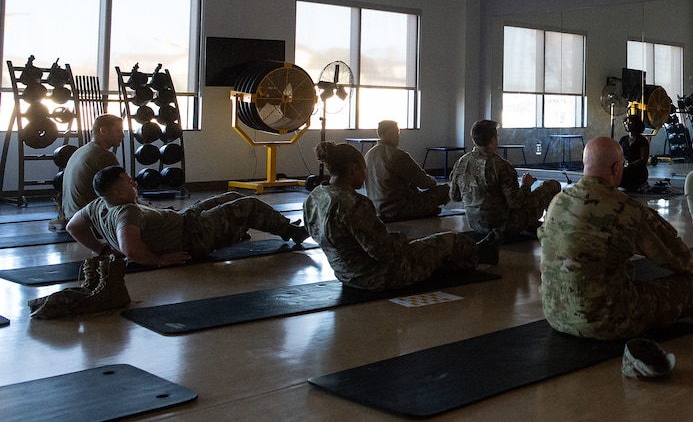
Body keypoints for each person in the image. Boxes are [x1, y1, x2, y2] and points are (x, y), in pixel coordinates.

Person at [538, 136, 693, 340]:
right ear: (617, 168)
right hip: (608, 320)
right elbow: (673, 254)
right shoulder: (624, 208)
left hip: (555, 314)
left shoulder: (557, 202)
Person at [305, 142, 491, 290]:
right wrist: (399, 241)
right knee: (450, 241)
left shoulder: (314, 198)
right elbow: (383, 252)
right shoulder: (354, 203)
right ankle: (482, 252)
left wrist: (392, 238)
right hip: (380, 276)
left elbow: (343, 238)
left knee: (428, 249)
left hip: (344, 273)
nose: (365, 174)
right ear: (353, 168)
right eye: (363, 170)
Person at [66, 167, 309, 266]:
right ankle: (292, 232)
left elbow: (72, 226)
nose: (133, 182)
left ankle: (273, 228)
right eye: (128, 182)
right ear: (118, 192)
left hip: (187, 219)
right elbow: (130, 248)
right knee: (248, 204)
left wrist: (102, 250)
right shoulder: (126, 212)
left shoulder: (97, 205)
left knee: (231, 195)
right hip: (194, 235)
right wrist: (160, 261)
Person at [450, 120, 560, 238]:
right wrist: (526, 185)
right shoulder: (501, 165)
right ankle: (553, 230)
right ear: (492, 140)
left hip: (476, 225)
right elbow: (515, 203)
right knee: (552, 185)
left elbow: (455, 196)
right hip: (506, 225)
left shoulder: (461, 162)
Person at [365, 120, 450, 221]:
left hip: (377, 209)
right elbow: (424, 183)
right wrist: (433, 180)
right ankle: (425, 211)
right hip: (399, 209)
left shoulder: (368, 155)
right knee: (445, 189)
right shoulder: (397, 155)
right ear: (392, 133)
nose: (398, 137)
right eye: (397, 133)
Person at [61, 114, 124, 219]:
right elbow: (122, 193)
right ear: (103, 131)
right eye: (118, 131)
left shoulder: (80, 151)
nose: (123, 135)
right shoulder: (103, 156)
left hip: (72, 217)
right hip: (88, 221)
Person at [618, 114, 651, 190]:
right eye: (626, 122)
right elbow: (618, 154)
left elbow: (643, 160)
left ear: (637, 124)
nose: (627, 124)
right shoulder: (623, 140)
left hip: (637, 170)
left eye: (630, 123)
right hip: (625, 167)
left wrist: (628, 165)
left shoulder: (642, 140)